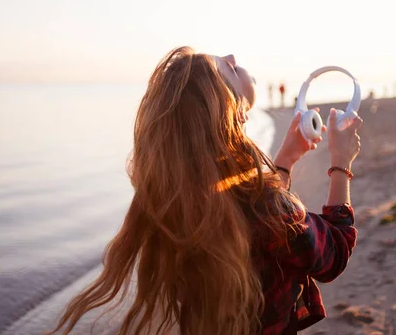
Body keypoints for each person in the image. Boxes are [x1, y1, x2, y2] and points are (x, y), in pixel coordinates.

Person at [49, 47, 362, 335]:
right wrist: (340, 163)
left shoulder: (187, 203)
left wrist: (286, 160)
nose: (232, 55)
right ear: (235, 113)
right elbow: (334, 253)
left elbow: (257, 215)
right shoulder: (267, 206)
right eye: (226, 67)